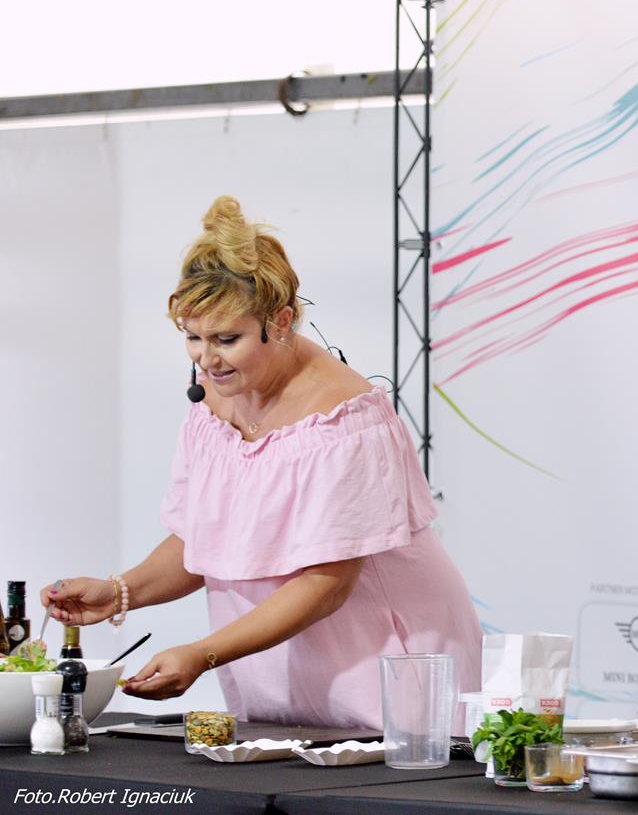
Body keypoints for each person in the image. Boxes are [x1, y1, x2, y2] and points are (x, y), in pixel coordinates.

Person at [42, 196, 482, 729]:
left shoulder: (344, 420)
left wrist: (203, 653)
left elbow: (325, 582)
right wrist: (119, 592)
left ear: (282, 320)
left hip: (389, 661)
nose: (207, 359)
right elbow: (204, 538)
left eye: (227, 339)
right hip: (281, 668)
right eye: (193, 337)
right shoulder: (214, 398)